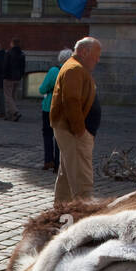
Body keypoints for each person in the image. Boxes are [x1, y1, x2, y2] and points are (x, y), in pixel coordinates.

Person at [50, 37, 101, 204]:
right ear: (84, 52)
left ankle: (60, 214)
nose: (97, 60)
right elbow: (71, 100)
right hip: (74, 132)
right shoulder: (74, 69)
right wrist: (80, 130)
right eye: (96, 55)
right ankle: (82, 216)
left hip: (72, 131)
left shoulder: (76, 68)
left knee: (66, 176)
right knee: (81, 179)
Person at [38, 48, 70, 172]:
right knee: (60, 136)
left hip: (49, 106)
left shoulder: (54, 71)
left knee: (47, 134)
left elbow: (42, 88)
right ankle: (58, 164)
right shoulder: (73, 71)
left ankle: (48, 160)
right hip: (66, 107)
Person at [4, 38, 26, 122]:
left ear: (12, 43)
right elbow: (23, 67)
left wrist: (4, 75)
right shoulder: (22, 54)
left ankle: (15, 112)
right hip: (18, 77)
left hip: (9, 77)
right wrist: (21, 75)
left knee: (8, 96)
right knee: (12, 96)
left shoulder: (9, 53)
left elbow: (5, 65)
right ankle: (10, 115)